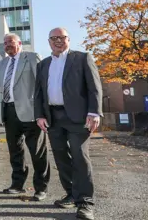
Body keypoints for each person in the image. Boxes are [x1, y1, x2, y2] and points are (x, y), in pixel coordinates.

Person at [34, 27, 102, 220]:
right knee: (61, 157)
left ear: (69, 40)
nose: (57, 41)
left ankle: (85, 202)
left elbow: (94, 87)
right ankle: (71, 193)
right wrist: (39, 115)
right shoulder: (43, 64)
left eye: (61, 37)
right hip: (53, 117)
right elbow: (39, 92)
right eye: (53, 38)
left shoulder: (82, 58)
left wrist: (94, 112)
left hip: (78, 117)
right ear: (48, 42)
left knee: (80, 156)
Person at [0, 33, 50, 201]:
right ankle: (17, 185)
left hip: (31, 112)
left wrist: (42, 111)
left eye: (10, 42)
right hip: (9, 111)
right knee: (15, 151)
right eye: (5, 43)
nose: (7, 45)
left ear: (19, 43)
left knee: (37, 152)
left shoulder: (31, 57)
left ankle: (41, 188)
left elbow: (42, 84)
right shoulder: (2, 63)